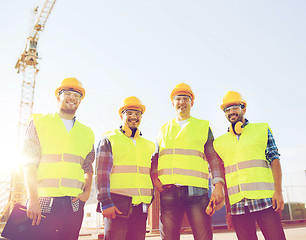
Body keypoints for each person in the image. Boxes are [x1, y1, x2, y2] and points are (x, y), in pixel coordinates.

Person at [22, 77, 95, 240]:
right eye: (68, 93)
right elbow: (29, 163)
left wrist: (87, 192)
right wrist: (32, 198)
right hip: (43, 202)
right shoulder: (39, 122)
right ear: (58, 97)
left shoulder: (87, 132)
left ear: (80, 101)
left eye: (77, 95)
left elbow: (88, 165)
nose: (72, 98)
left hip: (73, 205)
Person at [151, 83, 225, 240]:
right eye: (178, 99)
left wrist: (218, 185)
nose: (182, 102)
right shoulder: (163, 129)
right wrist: (154, 179)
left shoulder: (203, 127)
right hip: (169, 192)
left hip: (197, 193)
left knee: (203, 237)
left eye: (186, 98)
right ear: (173, 103)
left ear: (192, 103)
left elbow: (214, 158)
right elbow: (155, 158)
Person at [213, 91, 286, 240]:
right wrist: (228, 210)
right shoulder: (219, 143)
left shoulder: (262, 130)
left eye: (235, 107)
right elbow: (225, 177)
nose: (231, 112)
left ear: (243, 109)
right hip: (238, 205)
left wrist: (278, 192)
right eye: (227, 109)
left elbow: (275, 160)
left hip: (265, 200)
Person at [96, 96, 155, 240]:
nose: (134, 117)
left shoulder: (148, 145)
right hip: (117, 207)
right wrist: (106, 202)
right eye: (129, 113)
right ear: (121, 115)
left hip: (141, 207)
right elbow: (101, 173)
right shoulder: (109, 139)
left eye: (138, 113)